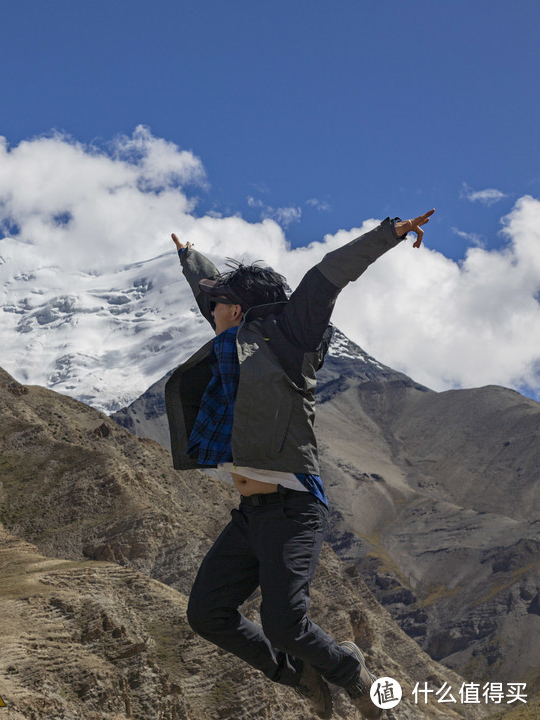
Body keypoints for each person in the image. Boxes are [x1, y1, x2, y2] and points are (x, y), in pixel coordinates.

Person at [165, 210, 434, 719]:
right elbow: (207, 292)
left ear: (238, 308)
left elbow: (326, 275)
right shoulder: (233, 343)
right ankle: (298, 675)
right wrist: (188, 258)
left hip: (292, 508)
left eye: (218, 302)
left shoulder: (291, 337)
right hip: (250, 515)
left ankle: (349, 671)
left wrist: (386, 235)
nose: (209, 309)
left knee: (285, 625)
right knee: (206, 614)